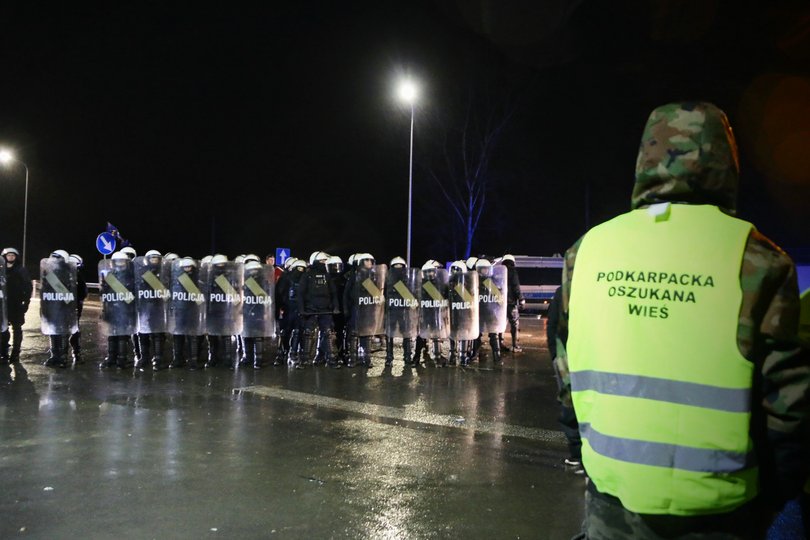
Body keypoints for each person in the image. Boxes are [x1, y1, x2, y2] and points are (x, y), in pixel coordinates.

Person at [561, 102, 810, 538]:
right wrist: (770, 496)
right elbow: (789, 407)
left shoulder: (586, 252)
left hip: (610, 505)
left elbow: (566, 373)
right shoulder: (758, 260)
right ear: (725, 164)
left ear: (646, 159)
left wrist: (582, 450)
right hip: (721, 514)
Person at [546, 285, 581, 473]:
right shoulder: (596, 287)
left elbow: (552, 325)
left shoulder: (563, 291)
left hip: (566, 358)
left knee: (569, 406)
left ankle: (577, 454)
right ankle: (583, 456)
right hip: (581, 357)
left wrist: (555, 355)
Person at [298, 251, 340, 368]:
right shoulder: (307, 276)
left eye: (325, 261)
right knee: (308, 334)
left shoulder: (327, 276)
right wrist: (301, 309)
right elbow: (300, 293)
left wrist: (336, 307)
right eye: (322, 261)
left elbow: (333, 293)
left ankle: (331, 359)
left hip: (325, 309)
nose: (324, 263)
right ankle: (305, 360)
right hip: (310, 309)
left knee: (328, 334)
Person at [1, 247, 32, 364]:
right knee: (3, 329)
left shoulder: (21, 270)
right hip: (3, 303)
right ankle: (3, 351)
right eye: (8, 255)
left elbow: (27, 286)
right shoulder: (1, 269)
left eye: (13, 255)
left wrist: (26, 301)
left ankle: (15, 353)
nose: (10, 257)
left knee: (17, 328)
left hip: (16, 303)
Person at [499, 254, 525, 353]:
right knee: (514, 323)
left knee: (501, 323)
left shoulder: (499, 271)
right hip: (510, 303)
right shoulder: (513, 272)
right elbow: (516, 286)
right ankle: (515, 345)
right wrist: (521, 299)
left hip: (499, 302)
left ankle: (499, 343)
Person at [68, 254, 88, 364]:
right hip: (63, 307)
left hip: (74, 307)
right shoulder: (61, 275)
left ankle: (76, 353)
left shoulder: (78, 277)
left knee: (74, 330)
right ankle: (61, 354)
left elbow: (83, 292)